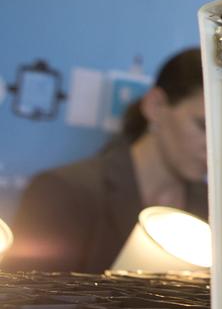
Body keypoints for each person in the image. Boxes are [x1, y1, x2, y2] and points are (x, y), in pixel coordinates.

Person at [5, 48, 209, 273]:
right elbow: (27, 304)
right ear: (155, 106)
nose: (215, 148)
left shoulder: (214, 211)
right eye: (203, 126)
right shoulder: (63, 192)